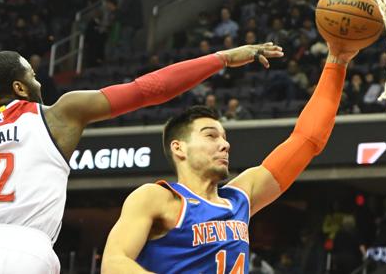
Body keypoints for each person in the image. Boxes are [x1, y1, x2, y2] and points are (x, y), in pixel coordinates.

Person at [0, 43, 282, 274]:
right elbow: (149, 89)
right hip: (25, 248)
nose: (40, 82)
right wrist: (221, 58)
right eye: (34, 76)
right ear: (20, 88)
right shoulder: (59, 114)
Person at [101, 43, 359, 273]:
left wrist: (337, 62)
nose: (224, 144)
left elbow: (307, 140)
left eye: (224, 137)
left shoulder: (240, 198)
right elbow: (114, 263)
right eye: (211, 136)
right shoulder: (157, 197)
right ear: (179, 148)